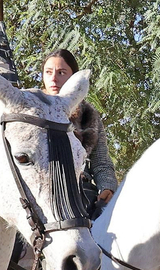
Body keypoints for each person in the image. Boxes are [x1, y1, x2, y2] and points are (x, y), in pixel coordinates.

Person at [41, 49, 117, 215]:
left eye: (61, 72)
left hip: (82, 194)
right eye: (48, 72)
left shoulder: (88, 115)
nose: (53, 78)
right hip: (41, 190)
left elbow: (101, 162)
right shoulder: (32, 110)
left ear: (73, 78)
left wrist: (107, 188)